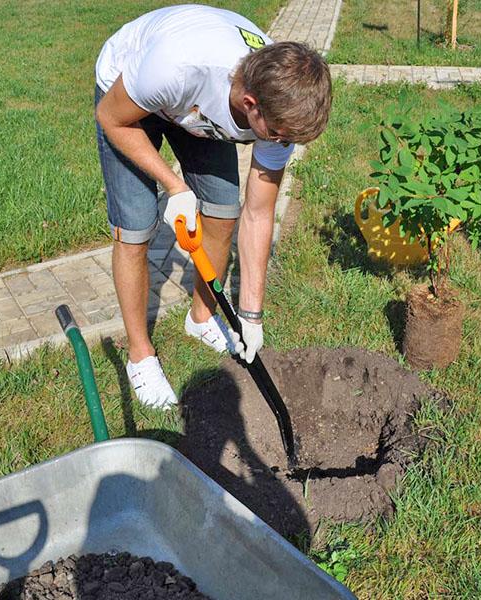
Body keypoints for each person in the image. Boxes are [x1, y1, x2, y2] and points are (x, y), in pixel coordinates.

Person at [95, 4, 332, 408]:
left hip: (192, 107)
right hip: (130, 96)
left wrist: (250, 316)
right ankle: (141, 356)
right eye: (275, 136)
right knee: (135, 229)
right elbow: (110, 117)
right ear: (250, 103)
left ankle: (202, 318)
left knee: (224, 211)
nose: (280, 145)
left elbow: (258, 214)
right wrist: (174, 186)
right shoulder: (177, 66)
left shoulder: (281, 110)